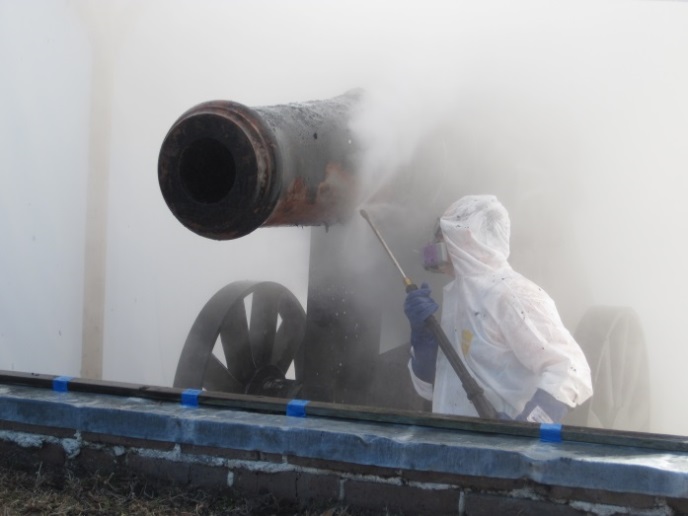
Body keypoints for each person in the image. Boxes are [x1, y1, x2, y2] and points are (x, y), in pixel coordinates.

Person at [404, 194, 593, 422]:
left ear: (467, 239)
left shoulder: (514, 295)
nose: (435, 247)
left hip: (505, 453)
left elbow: (571, 369)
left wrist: (526, 427)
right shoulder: (459, 296)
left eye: (443, 237)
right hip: (454, 447)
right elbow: (434, 390)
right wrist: (423, 342)